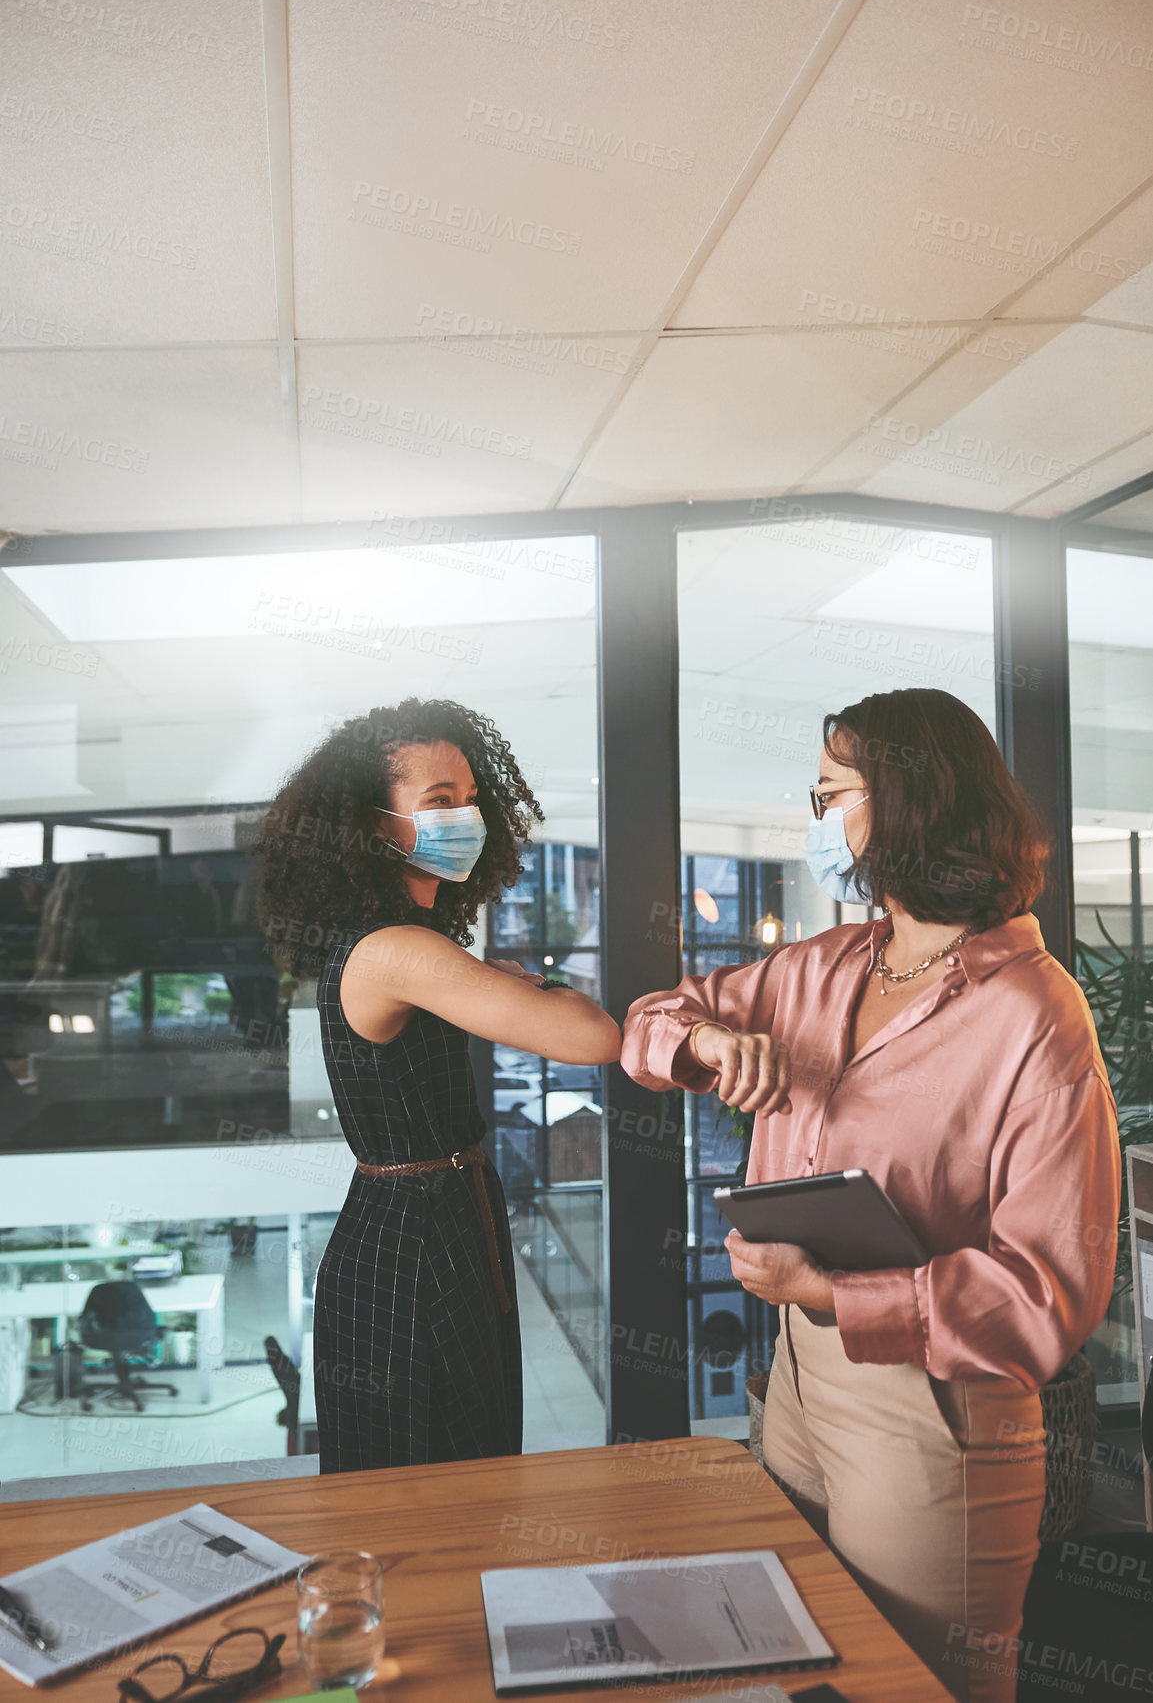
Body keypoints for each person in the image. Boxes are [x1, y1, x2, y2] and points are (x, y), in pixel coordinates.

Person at [621, 687, 1120, 1703]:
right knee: (806, 1672)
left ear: (908, 798)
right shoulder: (830, 963)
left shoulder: (1035, 1012)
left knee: (919, 1687)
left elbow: (1049, 1295)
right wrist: (706, 1040)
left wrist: (837, 1291)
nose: (816, 825)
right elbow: (645, 1021)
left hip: (931, 1414)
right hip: (796, 1385)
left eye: (831, 795)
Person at [253, 697, 621, 1472]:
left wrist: (507, 978)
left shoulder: (413, 945)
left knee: (464, 1458)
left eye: (472, 800)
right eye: (439, 802)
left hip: (440, 1215)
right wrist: (544, 983)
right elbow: (593, 1037)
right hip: (412, 1240)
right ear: (377, 827)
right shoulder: (397, 952)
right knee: (425, 1481)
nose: (468, 819)